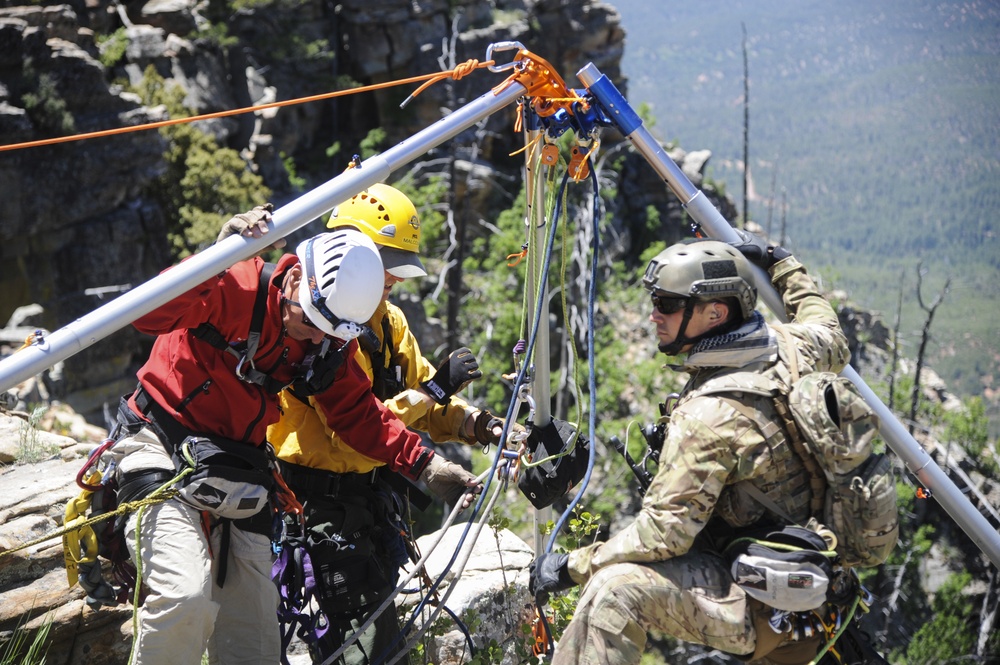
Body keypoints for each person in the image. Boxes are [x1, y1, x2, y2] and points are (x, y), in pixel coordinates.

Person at [103, 206, 479, 665]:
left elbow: (360, 415)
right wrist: (211, 263)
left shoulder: (326, 339)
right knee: (185, 599)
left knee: (255, 641)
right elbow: (146, 313)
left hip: (237, 467)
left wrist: (428, 466)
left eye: (327, 332)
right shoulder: (233, 285)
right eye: (309, 322)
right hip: (160, 444)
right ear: (296, 277)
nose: (313, 337)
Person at [529, 232, 862, 665]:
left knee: (611, 593)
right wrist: (782, 263)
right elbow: (827, 327)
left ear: (716, 313)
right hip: (819, 581)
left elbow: (661, 537)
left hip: (765, 606)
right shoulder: (795, 350)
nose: (653, 316)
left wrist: (569, 566)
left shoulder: (708, 417)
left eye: (668, 304)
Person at [265, 183, 512, 664]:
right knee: (365, 644)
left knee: (376, 631)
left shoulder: (388, 321)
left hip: (371, 500)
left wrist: (480, 425)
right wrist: (433, 395)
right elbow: (353, 432)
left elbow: (424, 398)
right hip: (319, 503)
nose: (394, 282)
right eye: (386, 270)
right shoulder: (326, 329)